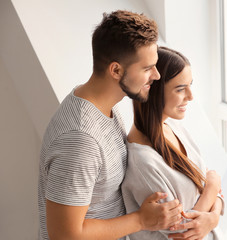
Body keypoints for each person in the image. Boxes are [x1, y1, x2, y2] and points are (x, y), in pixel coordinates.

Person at [38, 10, 183, 240]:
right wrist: (141, 220)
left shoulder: (102, 106)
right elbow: (65, 235)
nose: (156, 76)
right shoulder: (80, 140)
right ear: (115, 70)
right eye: (147, 68)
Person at [122, 46, 224, 240]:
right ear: (152, 91)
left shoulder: (172, 127)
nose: (190, 96)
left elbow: (210, 186)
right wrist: (212, 188)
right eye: (180, 89)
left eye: (190, 85)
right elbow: (182, 233)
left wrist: (213, 217)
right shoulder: (143, 163)